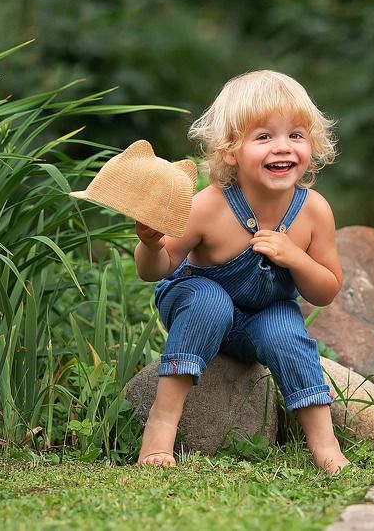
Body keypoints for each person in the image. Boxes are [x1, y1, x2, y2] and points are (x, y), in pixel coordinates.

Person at [132, 69, 349, 474]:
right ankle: (159, 431)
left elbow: (326, 290)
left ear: (312, 145)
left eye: (296, 135)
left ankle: (326, 446)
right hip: (198, 308)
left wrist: (296, 258)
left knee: (286, 329)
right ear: (231, 149)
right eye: (264, 136)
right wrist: (149, 243)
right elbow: (156, 271)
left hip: (262, 320)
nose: (282, 147)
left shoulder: (314, 211)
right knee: (210, 300)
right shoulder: (209, 205)